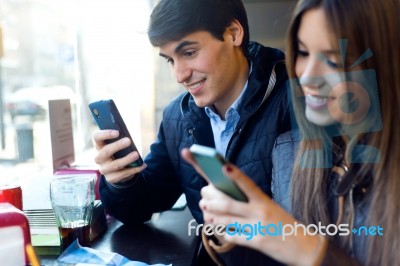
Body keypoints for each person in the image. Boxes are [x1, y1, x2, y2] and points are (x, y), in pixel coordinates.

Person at [182, 0, 400, 265]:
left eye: (332, 60)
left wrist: (305, 247)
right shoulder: (292, 151)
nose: (307, 76)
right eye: (302, 53)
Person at [93, 0, 291, 265]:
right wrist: (121, 180)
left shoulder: (298, 103)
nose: (179, 75)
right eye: (170, 60)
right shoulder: (178, 116)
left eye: (188, 53)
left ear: (233, 34)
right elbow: (143, 204)